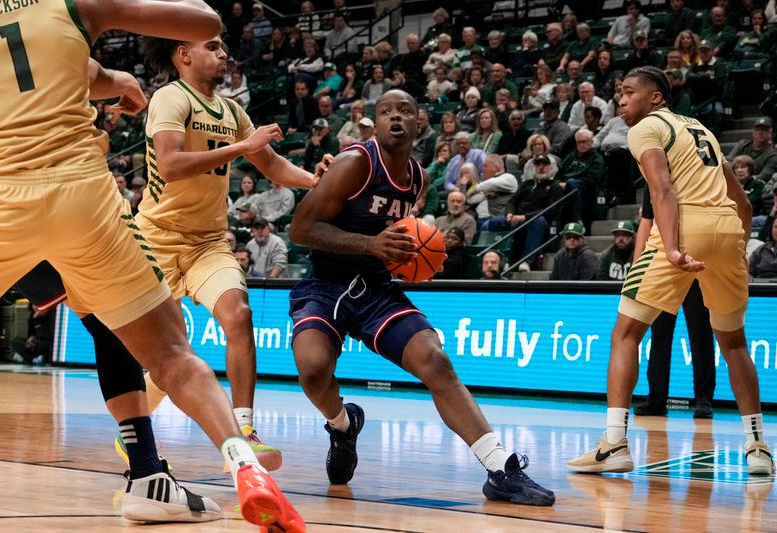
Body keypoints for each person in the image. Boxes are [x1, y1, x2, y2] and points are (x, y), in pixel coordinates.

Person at [0, 1, 305, 530]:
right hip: (84, 202)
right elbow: (204, 21)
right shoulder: (72, 5)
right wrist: (116, 74)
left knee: (103, 322)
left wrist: (112, 78)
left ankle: (149, 476)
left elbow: (31, 73)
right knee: (167, 352)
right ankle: (241, 467)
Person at [287, 89, 555, 506]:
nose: (395, 117)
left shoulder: (419, 177)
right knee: (312, 371)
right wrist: (371, 244)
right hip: (326, 286)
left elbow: (396, 237)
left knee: (435, 359)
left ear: (419, 124)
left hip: (376, 289)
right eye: (385, 112)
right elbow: (301, 230)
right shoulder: (354, 163)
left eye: (405, 111)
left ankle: (500, 470)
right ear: (374, 123)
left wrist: (412, 257)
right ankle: (342, 425)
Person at [136, 34, 330, 476]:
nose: (224, 53)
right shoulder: (170, 97)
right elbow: (169, 164)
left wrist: (316, 181)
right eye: (213, 46)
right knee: (171, 348)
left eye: (223, 46)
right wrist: (244, 147)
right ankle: (136, 430)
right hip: (157, 239)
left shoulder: (232, 111)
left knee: (239, 315)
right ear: (184, 54)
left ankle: (244, 431)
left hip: (207, 242)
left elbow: (274, 166)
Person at [568, 67, 773, 476]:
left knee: (625, 333)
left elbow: (662, 191)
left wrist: (675, 247)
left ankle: (614, 445)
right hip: (728, 228)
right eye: (618, 94)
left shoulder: (645, 129)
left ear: (657, 97)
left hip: (686, 227)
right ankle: (758, 448)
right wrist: (734, 242)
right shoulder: (698, 127)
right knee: (734, 344)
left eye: (629, 92)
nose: (621, 100)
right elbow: (742, 199)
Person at [633, 187, 716, 419]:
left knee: (700, 333)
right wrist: (636, 267)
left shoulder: (693, 174)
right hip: (663, 265)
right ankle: (657, 399)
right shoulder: (652, 178)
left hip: (694, 262)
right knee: (659, 334)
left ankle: (704, 400)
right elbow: (646, 223)